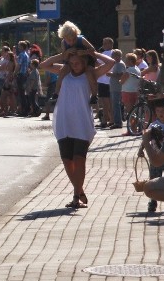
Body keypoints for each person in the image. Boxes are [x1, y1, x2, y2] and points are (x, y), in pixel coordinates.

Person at [40, 48, 115, 208]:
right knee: (67, 160)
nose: (75, 66)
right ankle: (79, 190)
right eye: (72, 63)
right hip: (64, 120)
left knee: (79, 159)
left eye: (78, 63)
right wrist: (63, 55)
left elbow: (111, 63)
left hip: (81, 122)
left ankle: (75, 195)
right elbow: (44, 64)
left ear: (84, 62)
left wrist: (91, 52)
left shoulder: (91, 74)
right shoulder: (64, 72)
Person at [137, 97, 164, 213]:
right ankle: (153, 202)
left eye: (163, 111)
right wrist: (141, 148)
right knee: (154, 180)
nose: (160, 114)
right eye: (157, 111)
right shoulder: (153, 125)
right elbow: (146, 138)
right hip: (155, 157)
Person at [54, 21, 98, 103]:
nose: (71, 42)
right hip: (72, 60)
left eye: (73, 39)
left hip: (86, 60)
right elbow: (64, 57)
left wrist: (84, 52)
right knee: (62, 72)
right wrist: (67, 52)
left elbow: (93, 49)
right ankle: (56, 93)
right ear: (64, 38)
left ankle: (94, 95)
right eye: (69, 40)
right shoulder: (63, 43)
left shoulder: (81, 39)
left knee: (90, 74)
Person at [119, 52, 141, 120]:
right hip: (135, 91)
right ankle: (133, 127)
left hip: (127, 92)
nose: (125, 61)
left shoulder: (128, 70)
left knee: (130, 112)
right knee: (133, 111)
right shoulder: (137, 69)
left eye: (126, 60)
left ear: (130, 61)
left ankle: (132, 128)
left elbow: (121, 81)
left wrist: (119, 80)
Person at [107, 50, 125, 130]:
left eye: (113, 55)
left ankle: (118, 122)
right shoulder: (116, 64)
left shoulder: (120, 64)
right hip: (114, 87)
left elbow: (121, 75)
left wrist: (111, 74)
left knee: (116, 105)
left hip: (117, 88)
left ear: (117, 56)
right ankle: (116, 121)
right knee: (115, 105)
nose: (111, 57)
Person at [15, 41, 31, 116]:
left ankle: (24, 110)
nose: (18, 47)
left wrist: (15, 73)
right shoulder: (27, 55)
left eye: (19, 46)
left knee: (21, 93)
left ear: (22, 47)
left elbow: (19, 65)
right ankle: (26, 109)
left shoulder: (21, 54)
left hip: (21, 74)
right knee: (24, 93)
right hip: (25, 75)